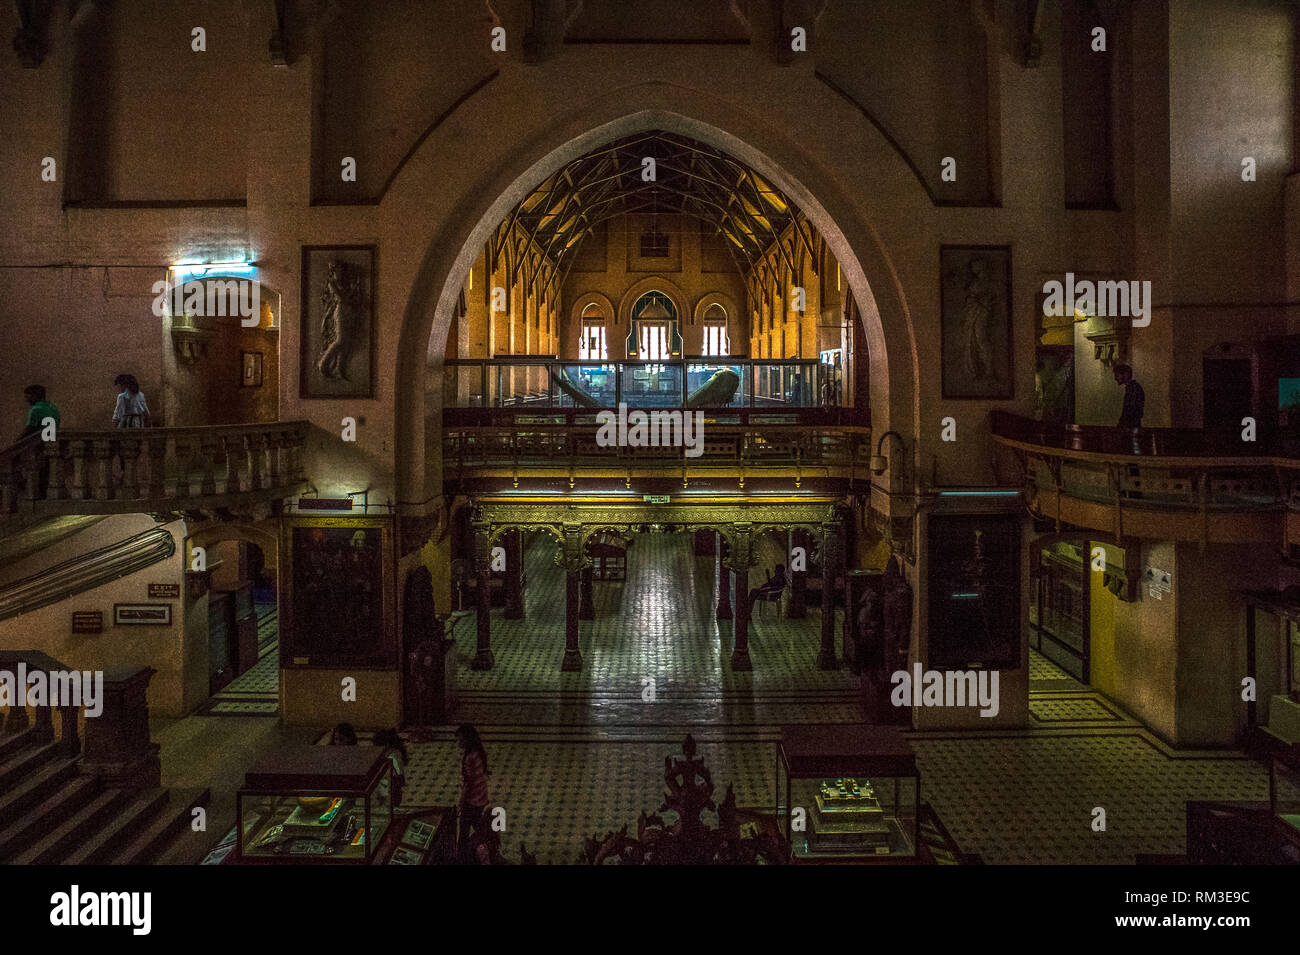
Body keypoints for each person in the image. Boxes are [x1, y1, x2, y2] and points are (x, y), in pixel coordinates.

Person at [455, 723, 491, 861]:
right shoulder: (479, 751)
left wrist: (460, 804)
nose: (457, 742)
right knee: (478, 826)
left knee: (464, 831)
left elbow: (467, 784)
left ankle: (461, 858)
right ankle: (487, 847)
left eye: (459, 739)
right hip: (481, 796)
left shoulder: (469, 757)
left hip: (472, 800)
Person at [373, 729, 407, 807]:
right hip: (385, 788)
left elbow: (400, 776)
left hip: (391, 790)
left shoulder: (393, 757)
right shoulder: (385, 755)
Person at [1114, 364, 1145, 429]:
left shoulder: (1132, 389)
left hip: (1130, 427)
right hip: (1133, 426)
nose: (1115, 378)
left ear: (1125, 374)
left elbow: (1129, 410)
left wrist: (1122, 424)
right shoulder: (1135, 388)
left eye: (1117, 375)